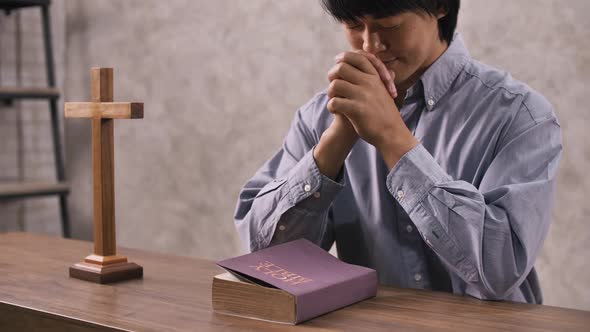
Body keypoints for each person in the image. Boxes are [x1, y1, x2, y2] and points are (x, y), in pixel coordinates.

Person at [234, 0, 562, 304]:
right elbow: (265, 260)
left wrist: (394, 139)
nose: (369, 45)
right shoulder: (321, 116)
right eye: (353, 25)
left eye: (388, 26)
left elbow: (502, 269)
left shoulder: (520, 115)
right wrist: (337, 139)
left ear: (440, 6)